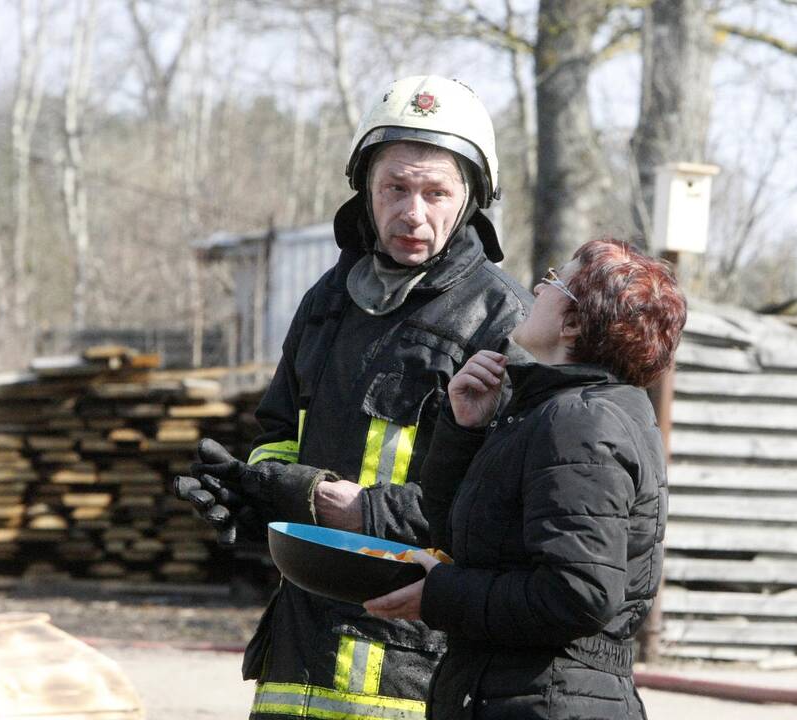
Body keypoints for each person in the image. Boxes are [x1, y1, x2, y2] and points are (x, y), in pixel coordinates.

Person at [173, 75, 531, 719]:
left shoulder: (503, 322)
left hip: (413, 659)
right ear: (366, 188)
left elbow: (502, 503)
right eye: (395, 187)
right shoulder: (327, 301)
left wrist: (364, 515)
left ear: (472, 198)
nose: (412, 212)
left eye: (435, 192)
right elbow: (278, 435)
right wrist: (255, 493)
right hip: (297, 650)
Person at [365, 239, 686, 720]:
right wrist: (466, 430)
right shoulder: (551, 412)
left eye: (555, 281)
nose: (537, 286)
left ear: (573, 323)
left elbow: (578, 596)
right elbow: (459, 539)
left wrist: (442, 597)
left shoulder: (581, 422)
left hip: (549, 701)